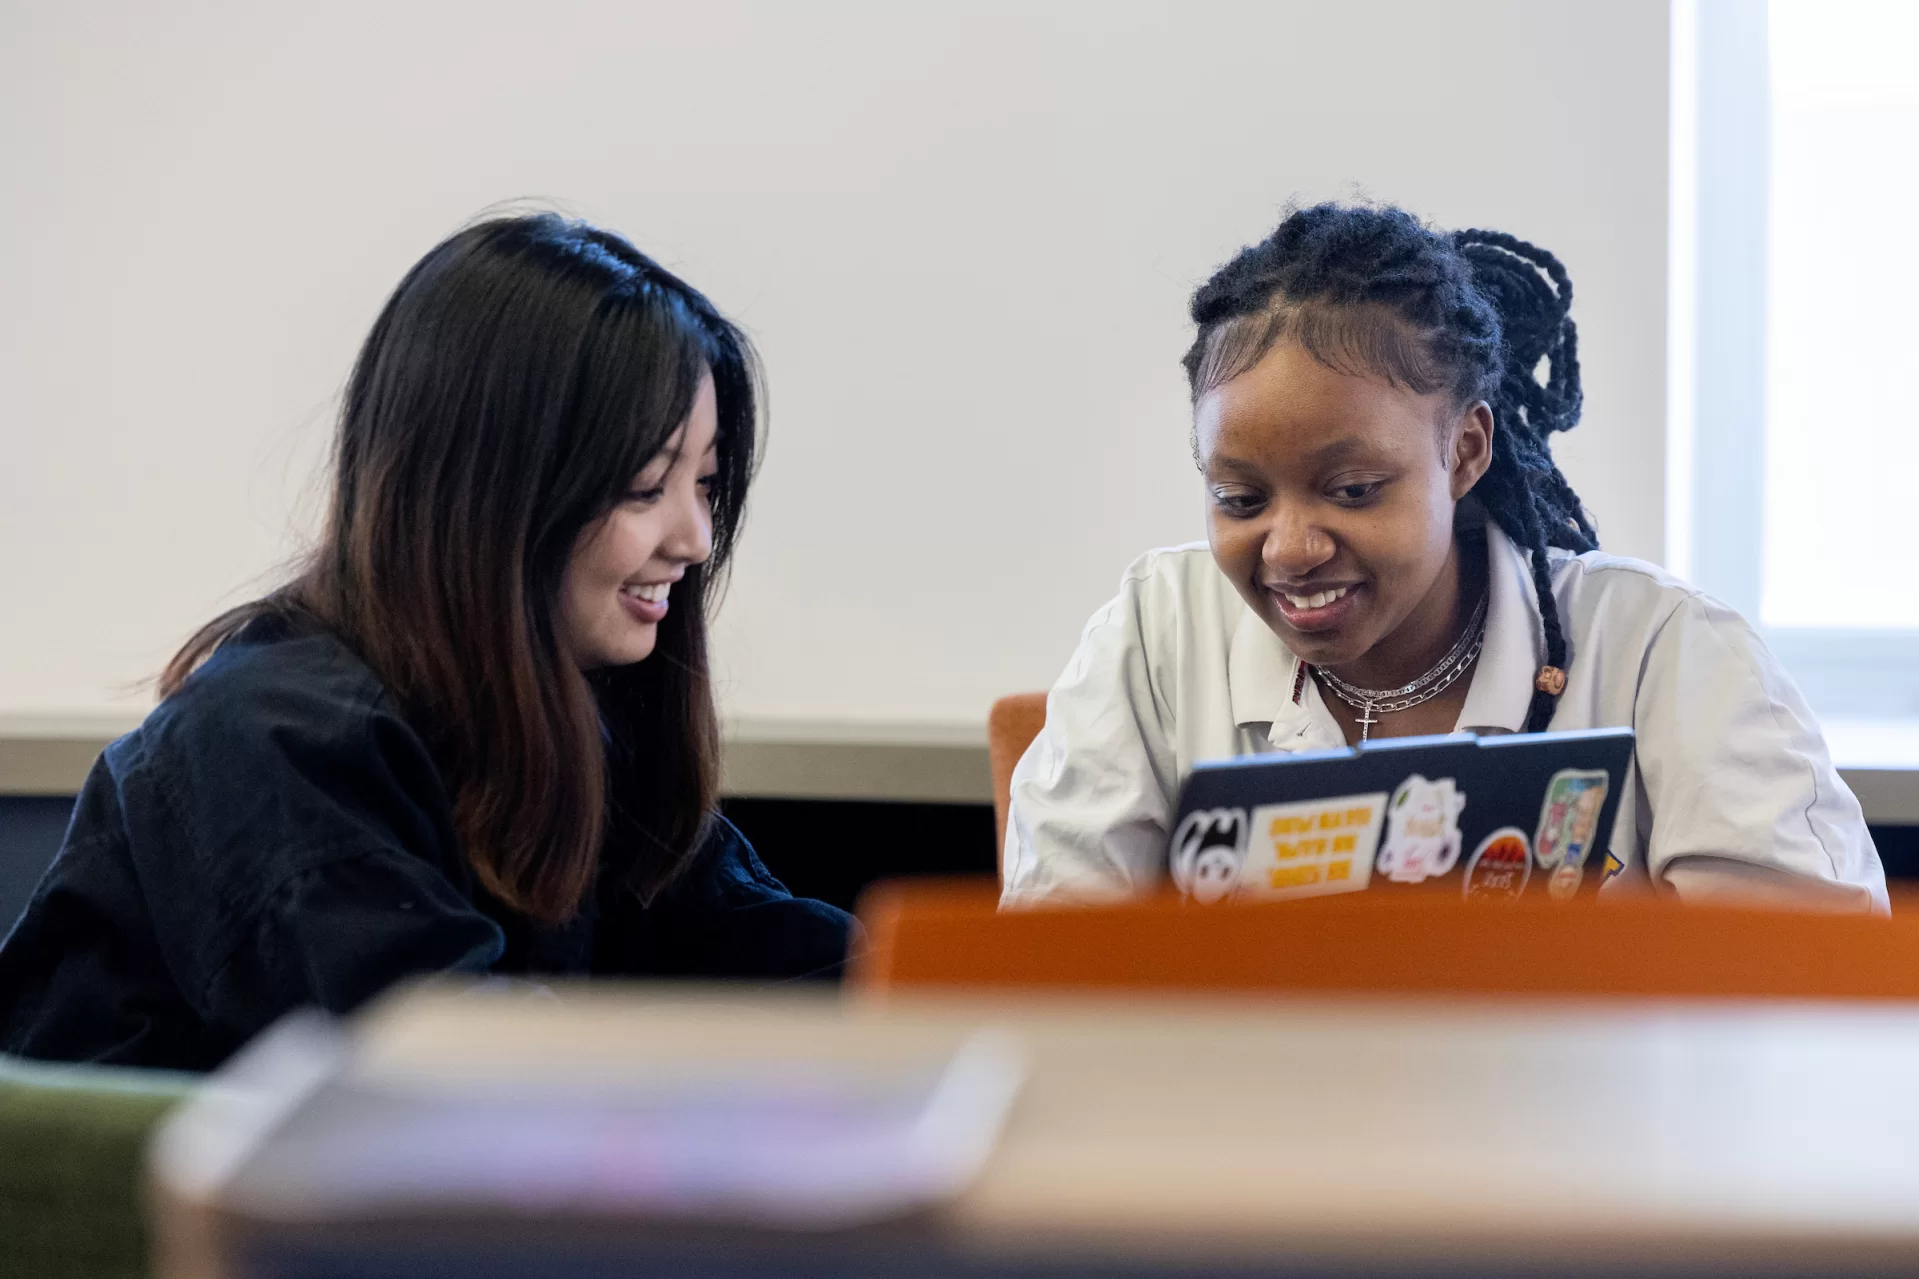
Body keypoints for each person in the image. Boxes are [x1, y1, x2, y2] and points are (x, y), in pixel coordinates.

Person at [0, 214, 853, 1070]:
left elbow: (773, 951)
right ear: (486, 492)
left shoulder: (566, 721)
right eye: (644, 485)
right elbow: (452, 1081)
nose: (696, 538)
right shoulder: (273, 741)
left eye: (704, 484)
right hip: (112, 1207)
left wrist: (970, 987)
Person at [1002, 202, 1886, 911]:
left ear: (1465, 451)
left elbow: (1797, 1004)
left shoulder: (1665, 652)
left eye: (1352, 489)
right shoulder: (1157, 632)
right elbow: (1044, 984)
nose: (1292, 547)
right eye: (1240, 499)